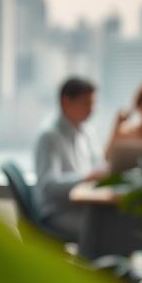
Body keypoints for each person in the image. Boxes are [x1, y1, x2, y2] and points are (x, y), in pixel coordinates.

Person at [33, 77, 105, 241]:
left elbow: (98, 164)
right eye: (86, 103)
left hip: (83, 206)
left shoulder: (86, 132)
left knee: (114, 222)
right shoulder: (49, 136)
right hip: (59, 211)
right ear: (66, 102)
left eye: (93, 103)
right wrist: (85, 178)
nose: (91, 109)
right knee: (104, 230)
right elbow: (48, 185)